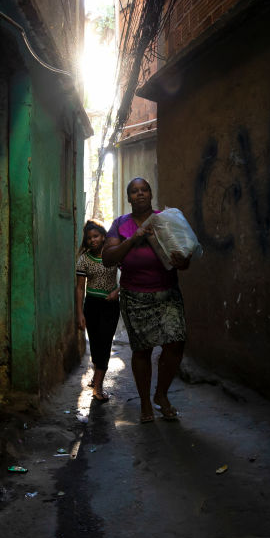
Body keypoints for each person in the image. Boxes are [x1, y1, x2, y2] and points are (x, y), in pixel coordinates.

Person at [102, 177, 190, 423]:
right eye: (134, 191)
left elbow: (183, 256)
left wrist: (183, 262)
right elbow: (108, 258)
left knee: (176, 343)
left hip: (167, 292)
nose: (140, 194)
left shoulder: (166, 219)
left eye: (144, 190)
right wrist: (133, 239)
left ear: (151, 194)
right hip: (135, 296)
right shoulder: (121, 224)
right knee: (142, 350)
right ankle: (144, 403)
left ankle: (161, 395)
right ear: (129, 197)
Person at [75, 219, 120, 402]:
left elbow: (128, 275)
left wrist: (117, 292)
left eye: (96, 236)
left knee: (105, 343)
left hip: (110, 306)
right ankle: (97, 375)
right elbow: (79, 289)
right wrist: (79, 313)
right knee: (95, 344)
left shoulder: (113, 255)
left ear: (103, 237)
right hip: (92, 306)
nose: (92, 240)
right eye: (89, 238)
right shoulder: (84, 259)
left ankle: (99, 385)